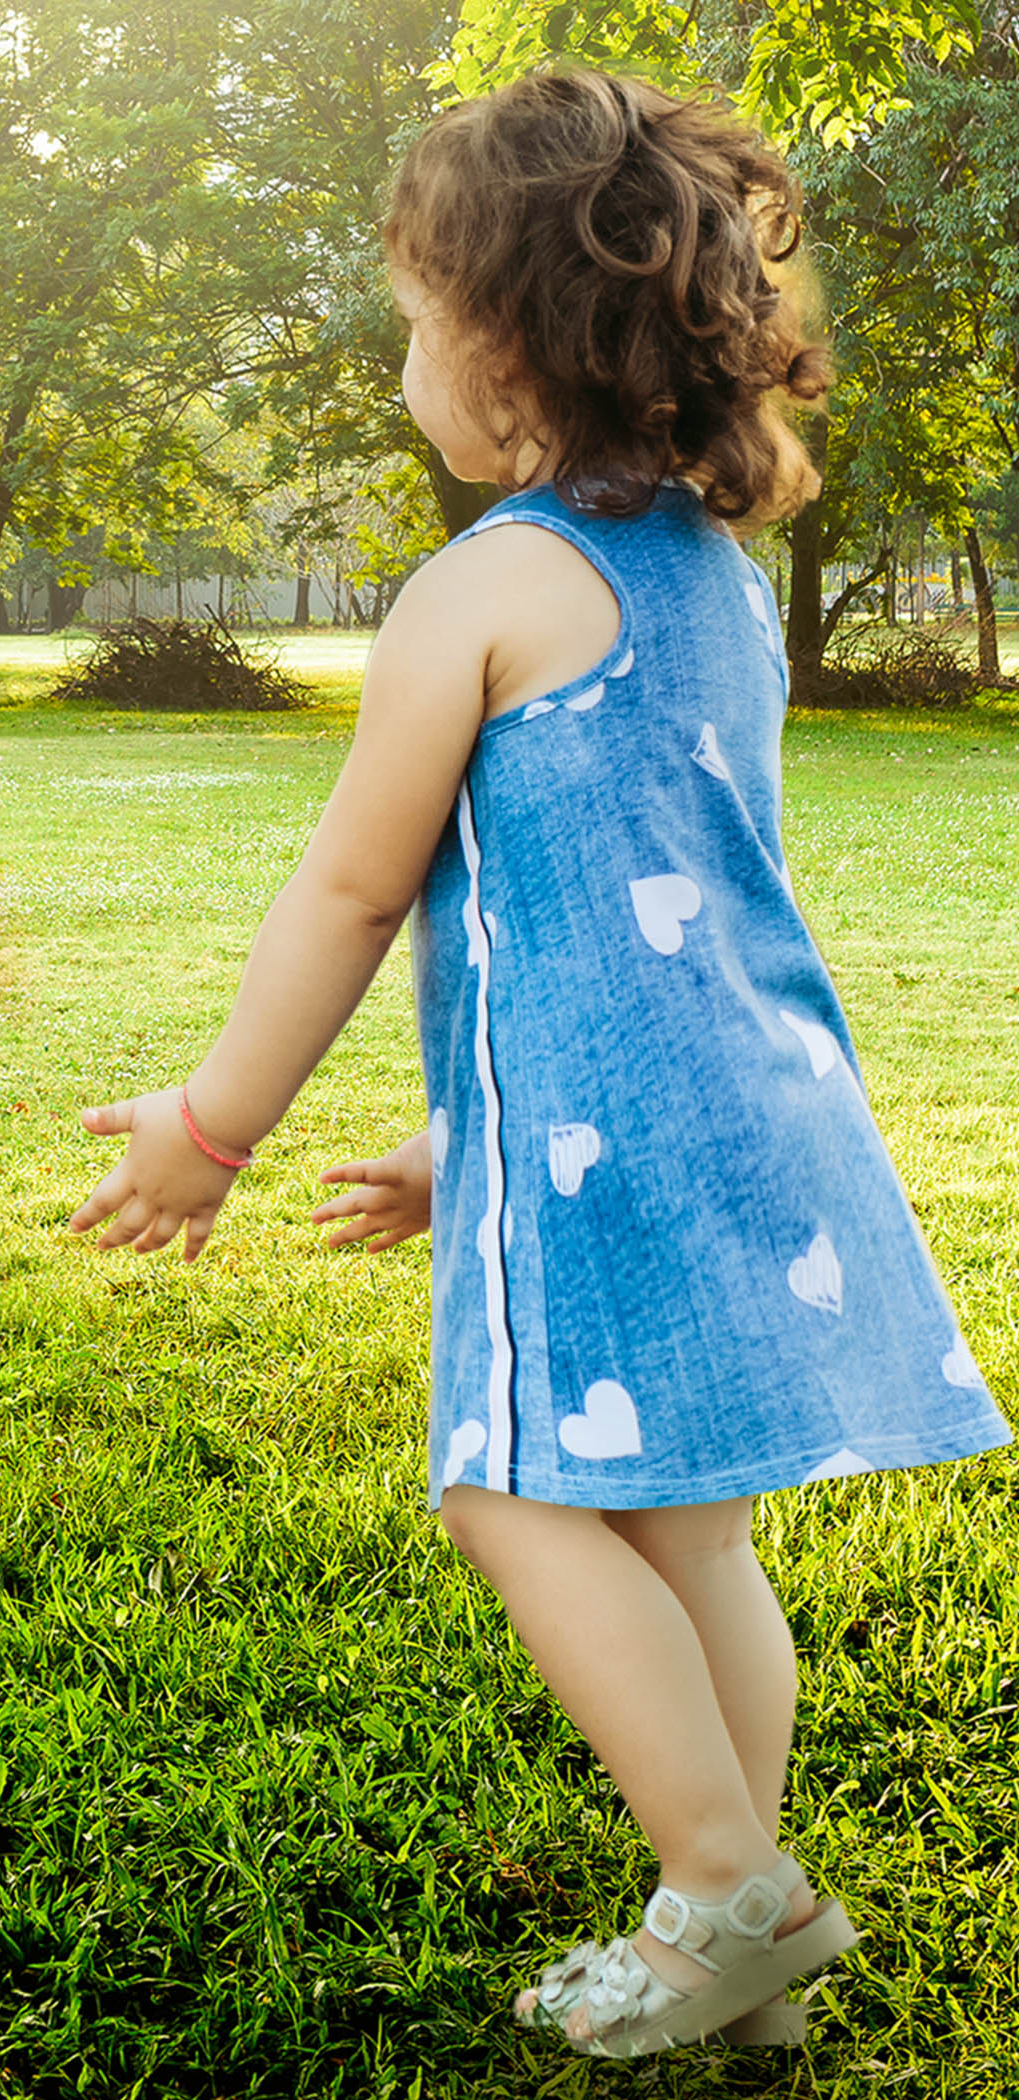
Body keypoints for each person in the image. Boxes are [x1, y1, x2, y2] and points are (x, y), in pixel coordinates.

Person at [65, 69, 1009, 2058]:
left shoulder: (481, 587)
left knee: (509, 1488)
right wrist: (455, 1131)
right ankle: (732, 1932)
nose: (405, 349)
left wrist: (210, 1127)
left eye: (416, 313)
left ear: (503, 354)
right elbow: (635, 899)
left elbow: (350, 893)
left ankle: (729, 1892)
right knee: (690, 1530)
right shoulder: (717, 589)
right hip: (744, 1103)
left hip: (626, 1139)